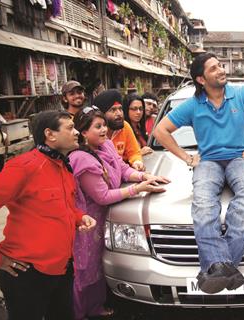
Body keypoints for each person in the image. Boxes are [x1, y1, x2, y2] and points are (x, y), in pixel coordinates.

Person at [154, 53, 244, 294]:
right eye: (214, 68)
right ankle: (227, 268)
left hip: (240, 158)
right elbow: (160, 130)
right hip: (208, 162)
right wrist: (186, 157)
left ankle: (216, 268)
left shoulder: (242, 94)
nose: (221, 70)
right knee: (203, 206)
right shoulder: (193, 105)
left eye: (221, 66)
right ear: (201, 79)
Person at [0, 110, 96, 320]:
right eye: (70, 128)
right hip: (26, 274)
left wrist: (79, 216)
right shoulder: (24, 166)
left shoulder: (63, 166)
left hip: (62, 270)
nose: (77, 133)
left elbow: (63, 207)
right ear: (50, 134)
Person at [69, 106, 169, 319]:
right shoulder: (81, 158)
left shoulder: (105, 145)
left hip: (106, 218)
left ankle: (95, 308)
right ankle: (79, 313)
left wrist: (144, 177)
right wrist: (138, 189)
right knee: (84, 270)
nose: (104, 130)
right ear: (83, 132)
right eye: (98, 127)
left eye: (103, 125)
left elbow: (122, 169)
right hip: (88, 223)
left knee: (97, 266)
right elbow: (102, 196)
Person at [93, 89, 145, 171]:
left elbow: (134, 152)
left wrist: (137, 161)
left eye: (120, 109)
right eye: (113, 110)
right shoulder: (94, 132)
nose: (119, 113)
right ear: (101, 114)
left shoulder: (125, 127)